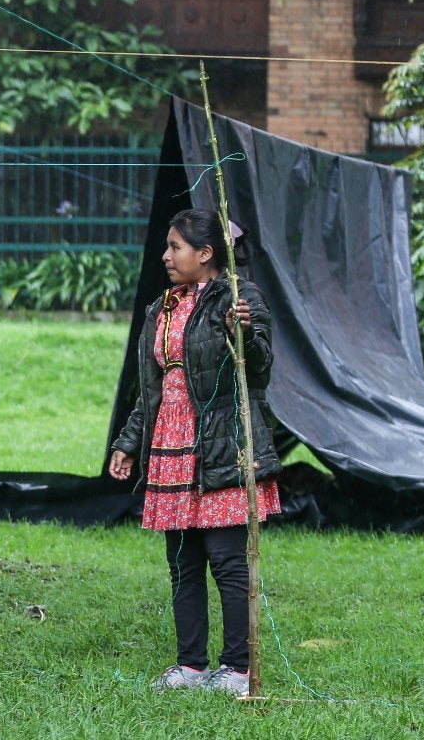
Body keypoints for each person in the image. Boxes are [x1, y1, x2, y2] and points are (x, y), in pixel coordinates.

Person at [108, 208, 282, 697]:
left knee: (227, 560)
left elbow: (260, 370)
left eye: (176, 247)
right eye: (167, 246)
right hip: (169, 444)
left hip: (223, 442)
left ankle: (238, 669)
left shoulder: (241, 299)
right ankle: (191, 666)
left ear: (205, 254)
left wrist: (240, 332)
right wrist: (128, 441)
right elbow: (154, 386)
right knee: (182, 560)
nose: (165, 256)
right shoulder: (162, 308)